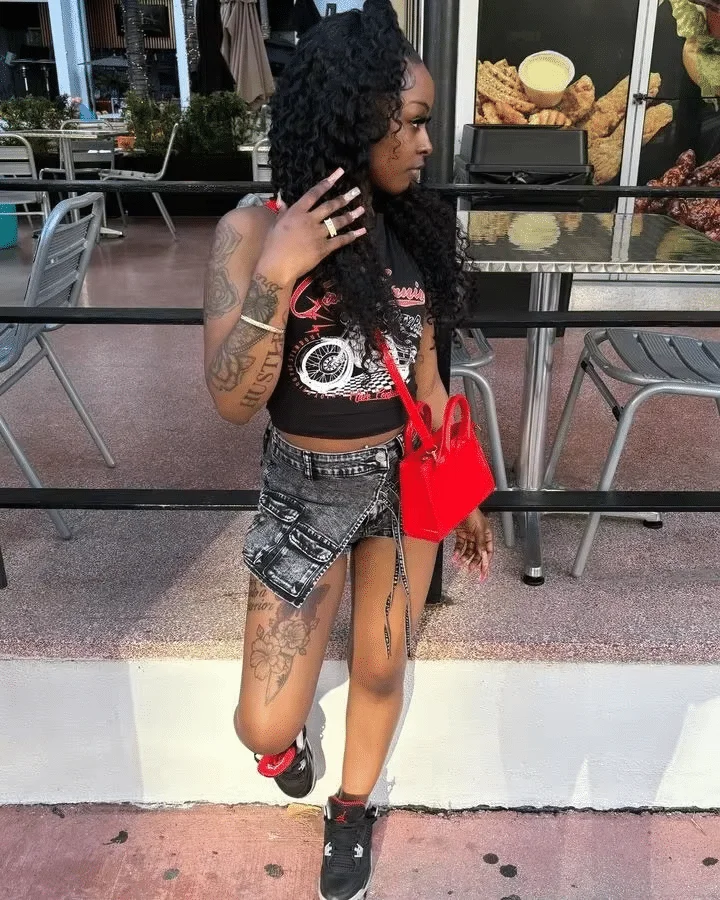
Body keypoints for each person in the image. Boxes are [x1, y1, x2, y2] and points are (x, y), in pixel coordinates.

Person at [203, 3, 494, 897]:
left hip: (401, 486)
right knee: (260, 724)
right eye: (411, 122)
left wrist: (464, 495)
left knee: (378, 663)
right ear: (352, 118)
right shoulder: (251, 231)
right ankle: (285, 751)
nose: (426, 144)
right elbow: (230, 402)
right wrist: (279, 271)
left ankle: (352, 808)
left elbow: (430, 379)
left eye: (425, 124)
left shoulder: (416, 229)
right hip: (303, 490)